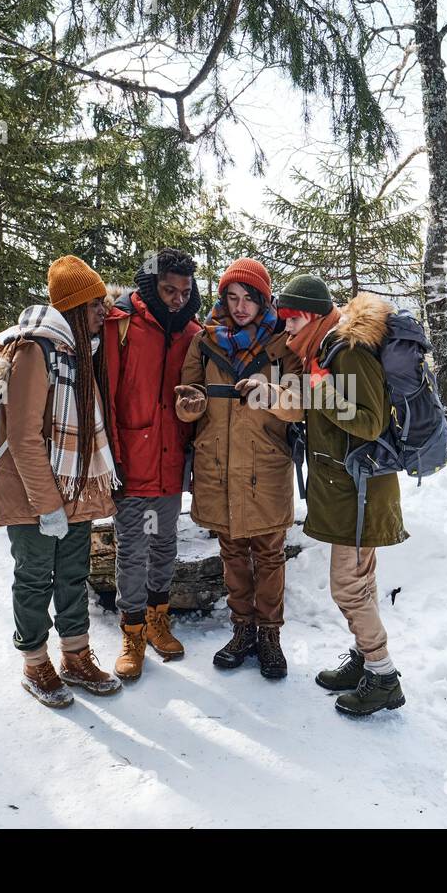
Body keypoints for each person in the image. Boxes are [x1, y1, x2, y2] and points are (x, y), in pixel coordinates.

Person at [0, 255, 122, 708]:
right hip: (34, 491)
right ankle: (35, 661)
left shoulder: (77, 352)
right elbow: (21, 436)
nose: (104, 313)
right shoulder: (35, 351)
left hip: (74, 487)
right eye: (97, 305)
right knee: (35, 577)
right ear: (77, 307)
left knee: (73, 576)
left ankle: (75, 655)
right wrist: (47, 504)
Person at [267, 276, 409, 715]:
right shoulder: (325, 347)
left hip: (360, 492)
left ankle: (383, 676)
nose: (285, 330)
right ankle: (366, 661)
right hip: (349, 489)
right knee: (359, 583)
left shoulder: (348, 351)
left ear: (307, 315)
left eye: (289, 321)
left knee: (348, 588)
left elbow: (368, 422)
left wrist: (315, 391)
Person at [173, 258, 302, 678]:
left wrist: (273, 394)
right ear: (222, 298)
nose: (240, 305)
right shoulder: (205, 341)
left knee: (269, 553)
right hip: (218, 464)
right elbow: (188, 392)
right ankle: (242, 630)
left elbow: (302, 404)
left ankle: (270, 636)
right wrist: (188, 407)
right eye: (232, 297)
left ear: (264, 299)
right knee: (231, 550)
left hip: (266, 464)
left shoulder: (284, 342)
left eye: (249, 298)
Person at [99, 248, 202, 681]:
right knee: (134, 548)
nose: (177, 298)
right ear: (150, 286)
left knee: (164, 543)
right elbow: (106, 395)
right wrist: (113, 459)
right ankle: (133, 630)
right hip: (133, 462)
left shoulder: (193, 332)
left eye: (184, 291)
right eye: (168, 290)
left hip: (170, 462)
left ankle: (160, 619)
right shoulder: (122, 325)